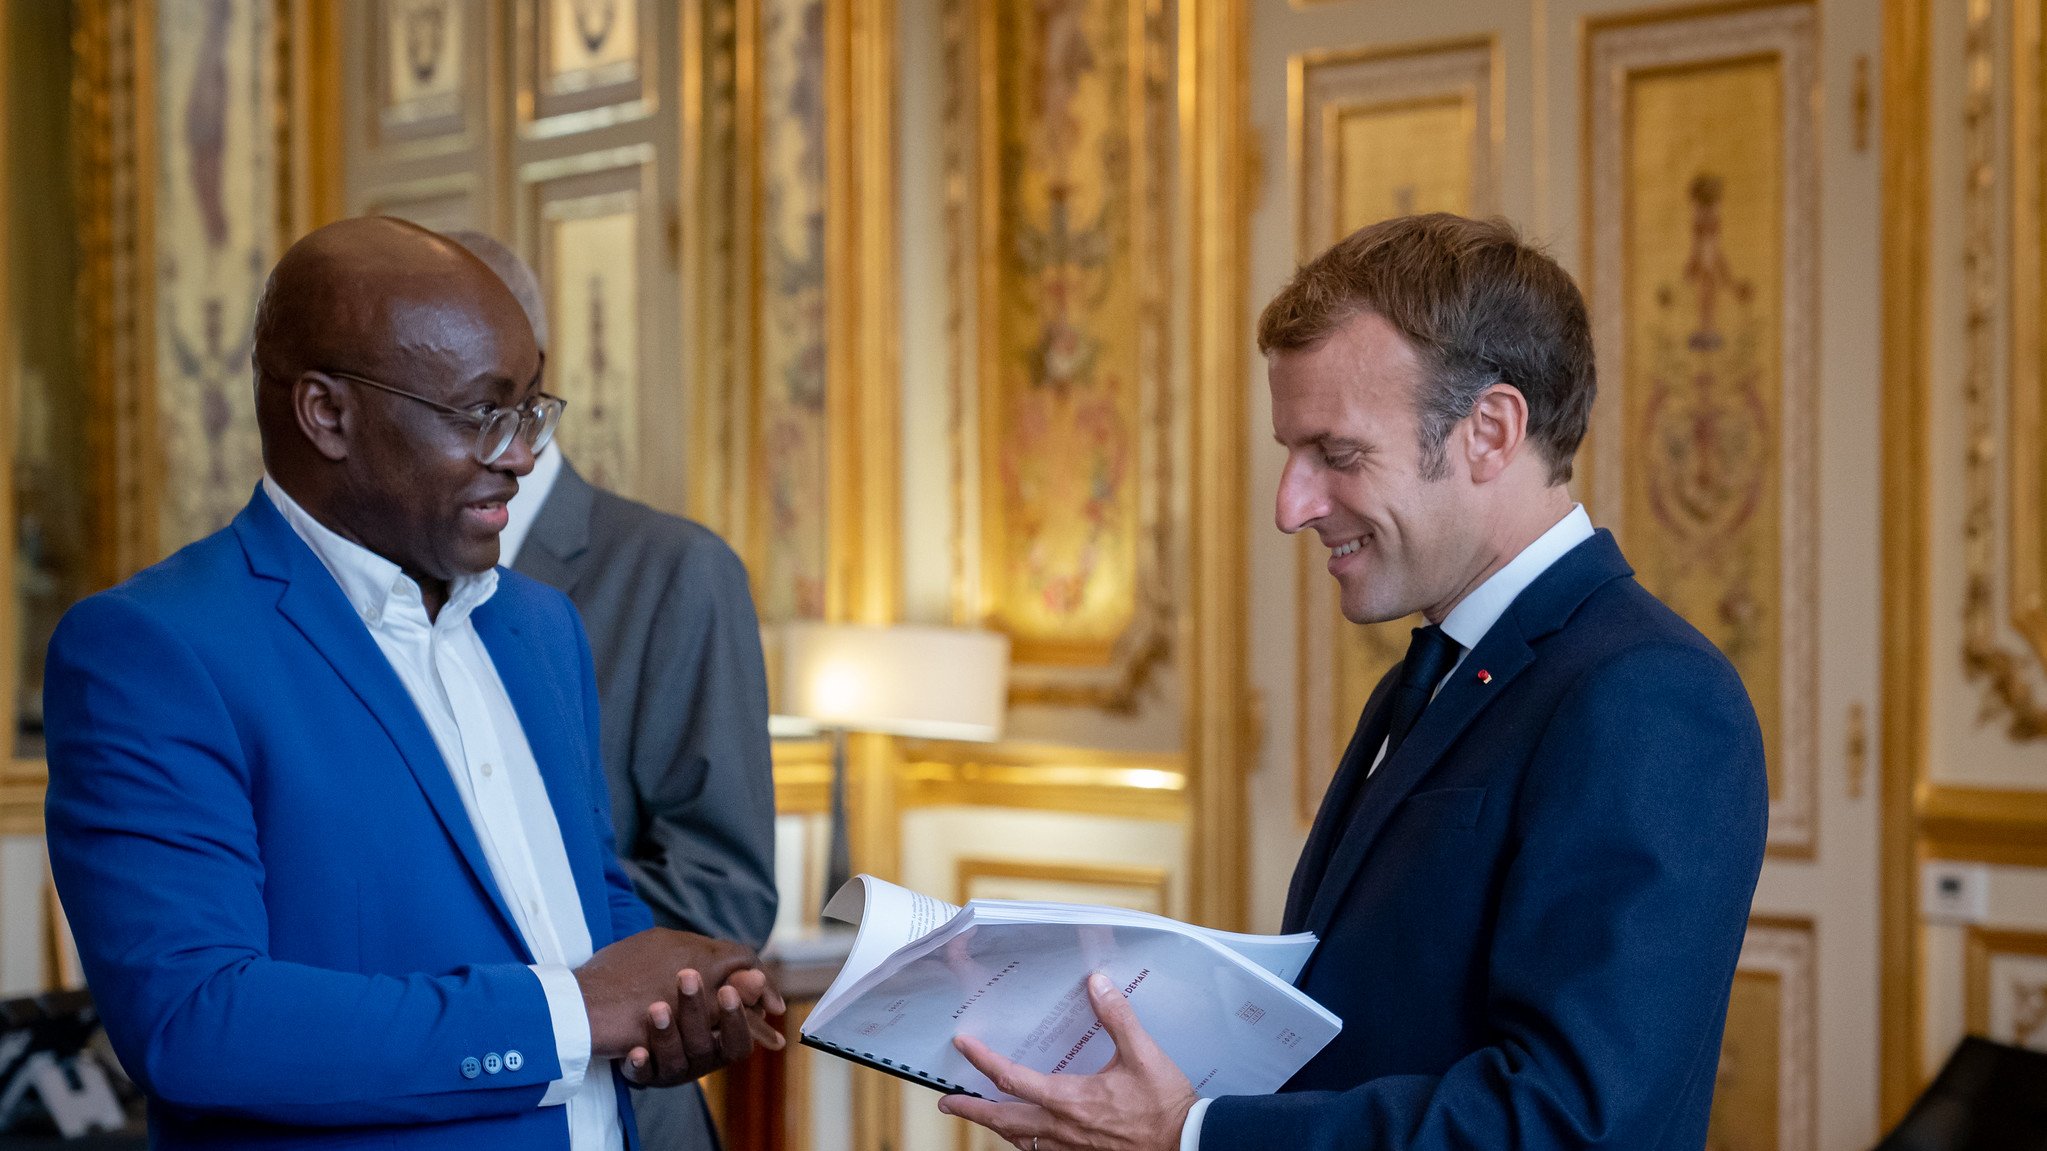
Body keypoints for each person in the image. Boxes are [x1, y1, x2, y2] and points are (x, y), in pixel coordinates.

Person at [940, 213, 1769, 1150]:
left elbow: (1571, 1121)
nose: (1292, 507)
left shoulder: (1649, 696)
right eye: (1291, 454)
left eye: (1336, 454)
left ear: (1490, 430)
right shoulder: (1436, 670)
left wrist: (1193, 1135)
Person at [43, 216, 783, 1150]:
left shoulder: (540, 627)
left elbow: (589, 908)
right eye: (483, 414)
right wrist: (569, 1013)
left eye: (531, 411)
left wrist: (672, 1010)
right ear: (327, 414)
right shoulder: (151, 649)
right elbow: (195, 1020)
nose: (520, 454)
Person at [446, 229, 779, 1151]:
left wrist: (468, 928)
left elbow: (724, 896)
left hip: (623, 1111)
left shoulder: (675, 571)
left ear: (522, 375)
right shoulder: (369, 588)